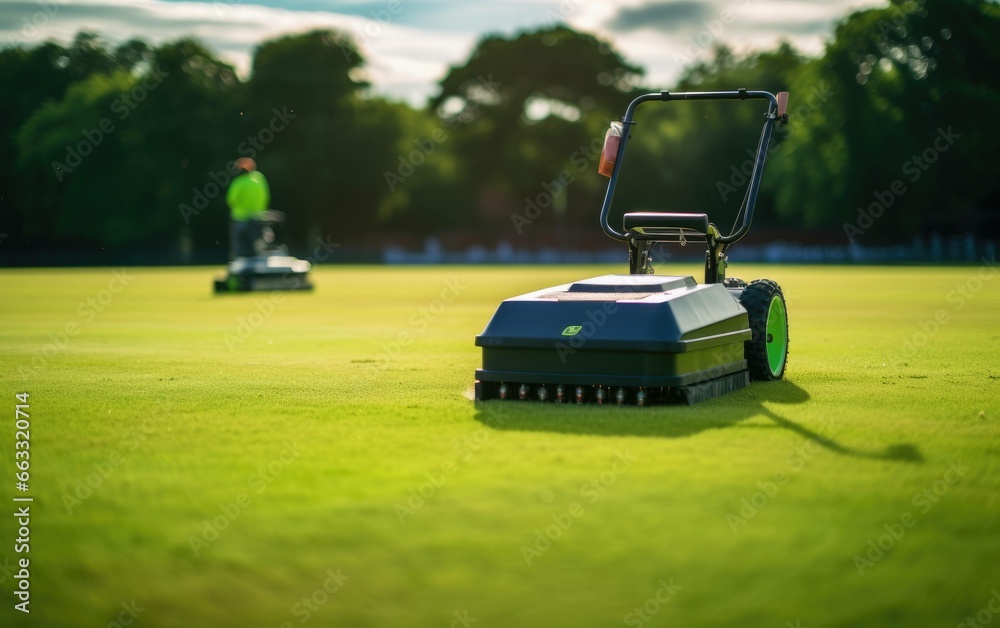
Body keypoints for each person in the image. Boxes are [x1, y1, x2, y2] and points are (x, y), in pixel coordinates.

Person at [226, 158, 271, 258]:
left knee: (240, 249)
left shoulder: (238, 182)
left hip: (240, 218)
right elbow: (266, 196)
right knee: (258, 247)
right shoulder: (259, 178)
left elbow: (230, 200)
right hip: (259, 218)